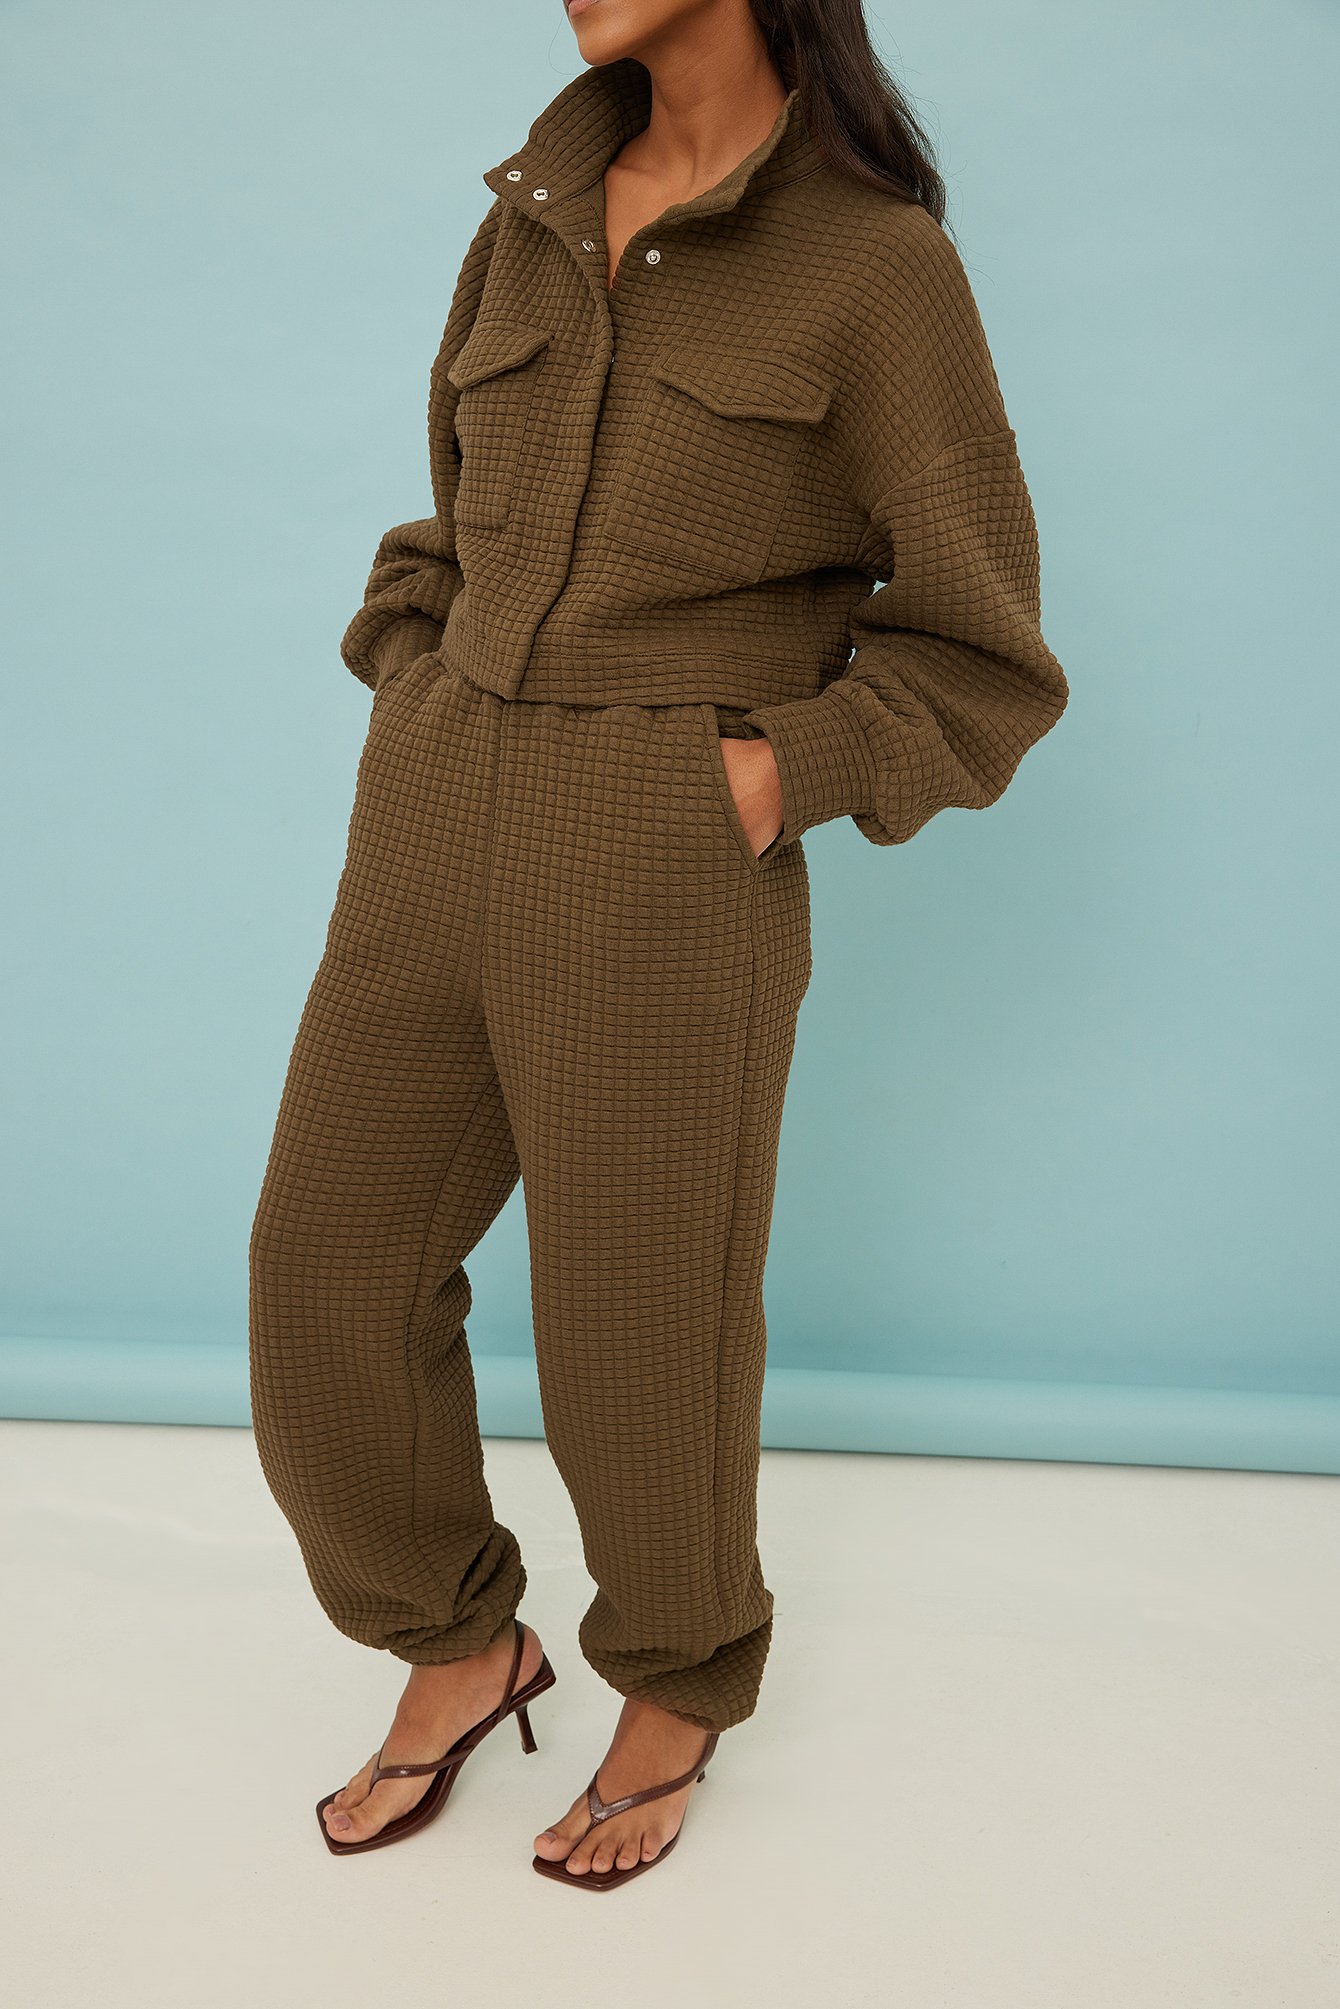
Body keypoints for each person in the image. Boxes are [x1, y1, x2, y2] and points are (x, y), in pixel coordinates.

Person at [247, 0, 1069, 1893]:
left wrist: (765, 781)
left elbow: (985, 651)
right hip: (440, 806)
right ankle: (460, 1642)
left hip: (660, 839)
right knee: (323, 1270)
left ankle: (678, 1680)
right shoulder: (531, 211)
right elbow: (453, 520)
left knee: (639, 1320)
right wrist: (410, 682)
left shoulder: (876, 268)